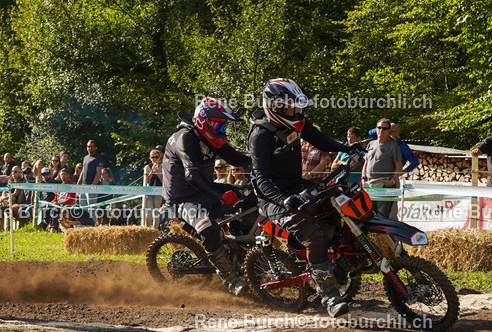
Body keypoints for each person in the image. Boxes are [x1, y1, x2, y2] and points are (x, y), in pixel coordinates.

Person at [248, 79, 362, 316]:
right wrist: (282, 201)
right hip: (272, 198)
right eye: (292, 109)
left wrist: (347, 147)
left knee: (340, 200)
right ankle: (330, 296)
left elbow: (319, 139)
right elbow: (260, 179)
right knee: (314, 234)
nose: (297, 114)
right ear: (275, 107)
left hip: (296, 185)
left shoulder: (297, 123)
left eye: (299, 109)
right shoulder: (260, 135)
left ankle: (346, 260)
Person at [162, 97, 252, 296]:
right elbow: (191, 174)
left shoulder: (208, 135)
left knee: (250, 196)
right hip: (182, 197)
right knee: (208, 226)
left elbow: (235, 157)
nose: (221, 131)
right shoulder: (185, 137)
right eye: (218, 126)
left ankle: (244, 251)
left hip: (203, 189)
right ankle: (230, 278)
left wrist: (262, 159)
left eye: (224, 126)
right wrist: (217, 196)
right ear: (203, 120)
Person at [362, 119, 404, 220]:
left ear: (389, 130)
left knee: (382, 216)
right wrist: (363, 178)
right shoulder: (370, 144)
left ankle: (383, 236)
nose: (381, 130)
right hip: (370, 184)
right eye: (379, 128)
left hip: (385, 185)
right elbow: (366, 163)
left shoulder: (393, 146)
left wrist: (392, 181)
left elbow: (399, 166)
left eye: (384, 128)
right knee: (368, 214)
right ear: (376, 129)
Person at [142, 147, 163, 228]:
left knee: (156, 212)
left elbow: (163, 182)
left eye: (156, 157)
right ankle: (147, 229)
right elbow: (147, 181)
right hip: (149, 190)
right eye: (152, 157)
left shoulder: (163, 167)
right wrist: (151, 172)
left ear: (159, 157)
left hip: (158, 191)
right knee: (149, 212)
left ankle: (155, 230)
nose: (154, 159)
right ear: (150, 158)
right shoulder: (147, 167)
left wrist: (157, 173)